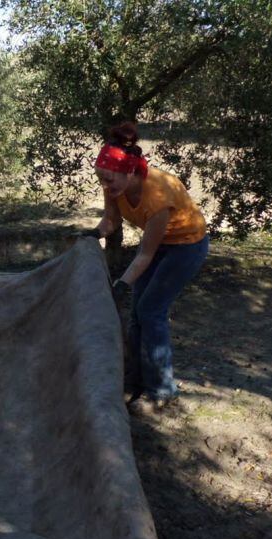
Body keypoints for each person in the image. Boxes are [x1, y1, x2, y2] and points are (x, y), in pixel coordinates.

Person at [88, 122, 209, 407]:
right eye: (101, 179)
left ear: (130, 171)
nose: (105, 185)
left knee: (150, 311)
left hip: (187, 247)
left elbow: (145, 254)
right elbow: (111, 221)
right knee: (137, 313)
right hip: (161, 244)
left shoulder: (157, 198)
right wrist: (92, 234)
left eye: (110, 180)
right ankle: (136, 378)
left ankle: (162, 391)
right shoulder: (114, 184)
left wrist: (122, 283)